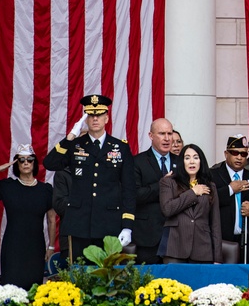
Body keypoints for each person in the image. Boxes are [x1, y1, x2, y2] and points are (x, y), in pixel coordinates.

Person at [43, 94, 135, 262]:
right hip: (79, 223)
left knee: (106, 277)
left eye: (99, 114)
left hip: (109, 223)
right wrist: (71, 136)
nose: (95, 119)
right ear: (85, 119)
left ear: (106, 118)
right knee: (77, 275)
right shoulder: (75, 145)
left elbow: (129, 190)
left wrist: (127, 226)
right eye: (90, 115)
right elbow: (50, 163)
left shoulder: (120, 147)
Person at [0, 145, 56, 289]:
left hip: (36, 246)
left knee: (33, 288)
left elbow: (52, 219)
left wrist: (51, 246)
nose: (26, 163)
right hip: (13, 246)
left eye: (29, 159)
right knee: (11, 287)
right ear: (16, 164)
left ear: (34, 163)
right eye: (21, 160)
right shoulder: (8, 186)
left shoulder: (46, 190)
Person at [159, 144, 223, 263]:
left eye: (195, 157)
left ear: (201, 161)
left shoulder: (210, 186)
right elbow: (167, 209)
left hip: (203, 249)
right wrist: (193, 192)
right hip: (175, 248)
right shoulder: (169, 182)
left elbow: (215, 223)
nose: (191, 161)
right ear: (181, 162)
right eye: (187, 158)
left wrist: (217, 257)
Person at [210, 135, 249, 264]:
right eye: (234, 153)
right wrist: (230, 189)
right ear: (226, 154)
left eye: (243, 154)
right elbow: (207, 201)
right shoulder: (213, 176)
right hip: (223, 241)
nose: (239, 157)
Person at [133, 118, 175, 264]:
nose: (167, 138)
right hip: (147, 236)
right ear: (151, 136)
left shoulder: (181, 162)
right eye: (162, 133)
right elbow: (135, 195)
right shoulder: (137, 162)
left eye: (170, 133)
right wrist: (163, 184)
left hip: (176, 235)